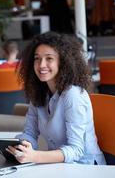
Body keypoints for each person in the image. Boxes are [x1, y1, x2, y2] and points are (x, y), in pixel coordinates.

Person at [7, 32, 106, 165]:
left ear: (63, 61)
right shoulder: (38, 93)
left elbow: (77, 150)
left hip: (85, 167)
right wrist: (21, 148)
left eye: (49, 58)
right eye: (37, 58)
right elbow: (29, 133)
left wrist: (34, 156)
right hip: (58, 167)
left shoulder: (73, 95)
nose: (41, 64)